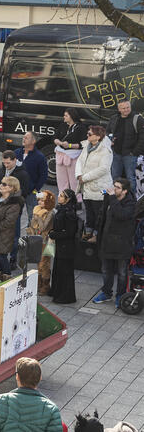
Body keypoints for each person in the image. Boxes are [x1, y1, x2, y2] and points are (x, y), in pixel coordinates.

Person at [93, 176, 136, 304]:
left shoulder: (131, 204)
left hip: (122, 244)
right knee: (106, 270)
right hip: (106, 242)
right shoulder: (110, 199)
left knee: (122, 273)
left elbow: (121, 215)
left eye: (117, 188)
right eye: (114, 186)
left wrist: (111, 198)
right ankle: (106, 293)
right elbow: (102, 216)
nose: (114, 189)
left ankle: (120, 295)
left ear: (125, 191)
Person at [0, 175, 24, 283]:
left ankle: (7, 279)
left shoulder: (15, 203)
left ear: (12, 188)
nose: (0, 185)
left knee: (1, 257)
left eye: (4, 184)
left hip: (3, 235)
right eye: (1, 183)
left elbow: (8, 222)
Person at [77, 125, 113, 238]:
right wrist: (78, 175)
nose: (87, 135)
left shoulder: (106, 151)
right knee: (88, 211)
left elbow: (104, 169)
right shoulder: (86, 147)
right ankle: (88, 232)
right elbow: (79, 160)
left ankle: (97, 235)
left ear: (98, 137)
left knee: (99, 213)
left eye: (90, 134)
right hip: (86, 187)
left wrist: (85, 177)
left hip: (100, 188)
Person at [105, 99, 144, 197]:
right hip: (116, 153)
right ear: (119, 109)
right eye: (123, 108)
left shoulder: (137, 119)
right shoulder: (114, 118)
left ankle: (132, 201)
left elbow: (142, 137)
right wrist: (110, 140)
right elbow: (107, 132)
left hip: (130, 154)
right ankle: (116, 198)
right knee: (115, 177)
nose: (126, 109)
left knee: (131, 178)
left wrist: (135, 152)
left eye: (128, 107)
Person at [49, 189, 79, 304]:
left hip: (67, 247)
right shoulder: (62, 209)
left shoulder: (69, 213)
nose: (59, 197)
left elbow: (69, 232)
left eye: (62, 196)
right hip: (61, 245)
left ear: (68, 199)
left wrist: (54, 234)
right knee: (58, 269)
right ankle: (57, 291)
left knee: (65, 272)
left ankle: (66, 296)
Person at [16, 132, 48, 225]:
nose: (23, 139)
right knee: (15, 216)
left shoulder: (40, 157)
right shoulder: (17, 153)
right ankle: (15, 238)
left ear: (33, 141)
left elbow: (43, 175)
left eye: (26, 137)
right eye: (23, 137)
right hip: (17, 191)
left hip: (31, 193)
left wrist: (35, 189)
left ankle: (31, 238)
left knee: (33, 217)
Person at [53, 109, 86, 194]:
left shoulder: (81, 127)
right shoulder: (62, 125)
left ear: (72, 116)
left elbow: (83, 144)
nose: (64, 117)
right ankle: (63, 198)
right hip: (61, 155)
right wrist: (59, 142)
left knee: (74, 180)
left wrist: (70, 145)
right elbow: (55, 137)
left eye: (66, 115)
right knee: (61, 180)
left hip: (73, 156)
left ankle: (77, 200)